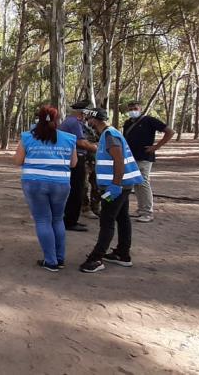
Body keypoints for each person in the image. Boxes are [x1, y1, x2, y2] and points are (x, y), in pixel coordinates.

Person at [79, 108, 145, 273]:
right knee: (122, 218)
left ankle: (96, 258)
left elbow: (119, 160)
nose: (88, 122)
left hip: (115, 187)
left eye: (89, 119)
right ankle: (123, 254)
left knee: (107, 219)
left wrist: (115, 185)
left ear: (95, 120)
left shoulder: (110, 135)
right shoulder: (109, 133)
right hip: (121, 186)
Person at [15, 105, 78, 271]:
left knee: (43, 220)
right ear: (57, 120)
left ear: (39, 118)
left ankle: (50, 261)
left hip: (34, 183)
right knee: (57, 219)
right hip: (61, 184)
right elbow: (73, 163)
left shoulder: (27, 137)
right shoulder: (70, 138)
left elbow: (18, 161)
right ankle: (60, 258)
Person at [122, 101, 174, 223]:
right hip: (130, 157)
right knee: (134, 184)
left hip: (144, 157)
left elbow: (170, 132)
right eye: (130, 109)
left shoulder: (149, 120)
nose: (133, 111)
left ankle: (147, 212)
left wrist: (156, 147)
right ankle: (141, 209)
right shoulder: (127, 123)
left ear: (140, 109)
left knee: (142, 182)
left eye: (135, 108)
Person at [58, 100, 98, 232]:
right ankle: (70, 221)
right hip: (75, 158)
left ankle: (70, 218)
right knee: (77, 189)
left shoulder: (72, 121)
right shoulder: (74, 123)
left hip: (71, 157)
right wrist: (97, 148)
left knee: (75, 189)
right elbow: (81, 142)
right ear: (83, 112)